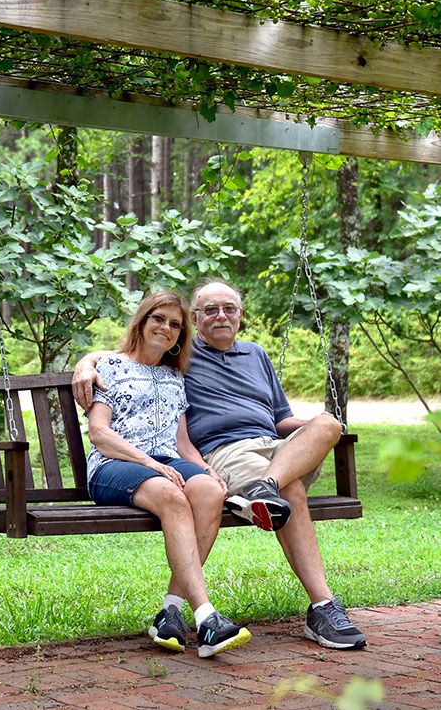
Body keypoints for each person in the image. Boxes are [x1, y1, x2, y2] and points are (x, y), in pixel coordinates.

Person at [74, 280, 368, 651]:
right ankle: (321, 606)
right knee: (290, 490)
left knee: (327, 424)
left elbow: (280, 419)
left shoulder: (253, 356)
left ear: (241, 316)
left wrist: (319, 430)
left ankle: (265, 487)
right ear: (196, 320)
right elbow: (130, 354)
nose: (220, 316)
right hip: (226, 451)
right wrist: (86, 362)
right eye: (209, 310)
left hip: (272, 449)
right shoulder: (183, 357)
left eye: (229, 308)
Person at [85, 289, 252, 658]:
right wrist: (151, 464)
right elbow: (100, 433)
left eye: (174, 324)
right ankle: (207, 616)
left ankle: (170, 611)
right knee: (173, 496)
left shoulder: (174, 377)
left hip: (165, 463)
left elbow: (182, 443)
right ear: (142, 322)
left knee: (208, 492)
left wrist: (208, 470)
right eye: (158, 319)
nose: (165, 327)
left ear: (180, 335)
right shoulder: (110, 367)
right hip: (114, 466)